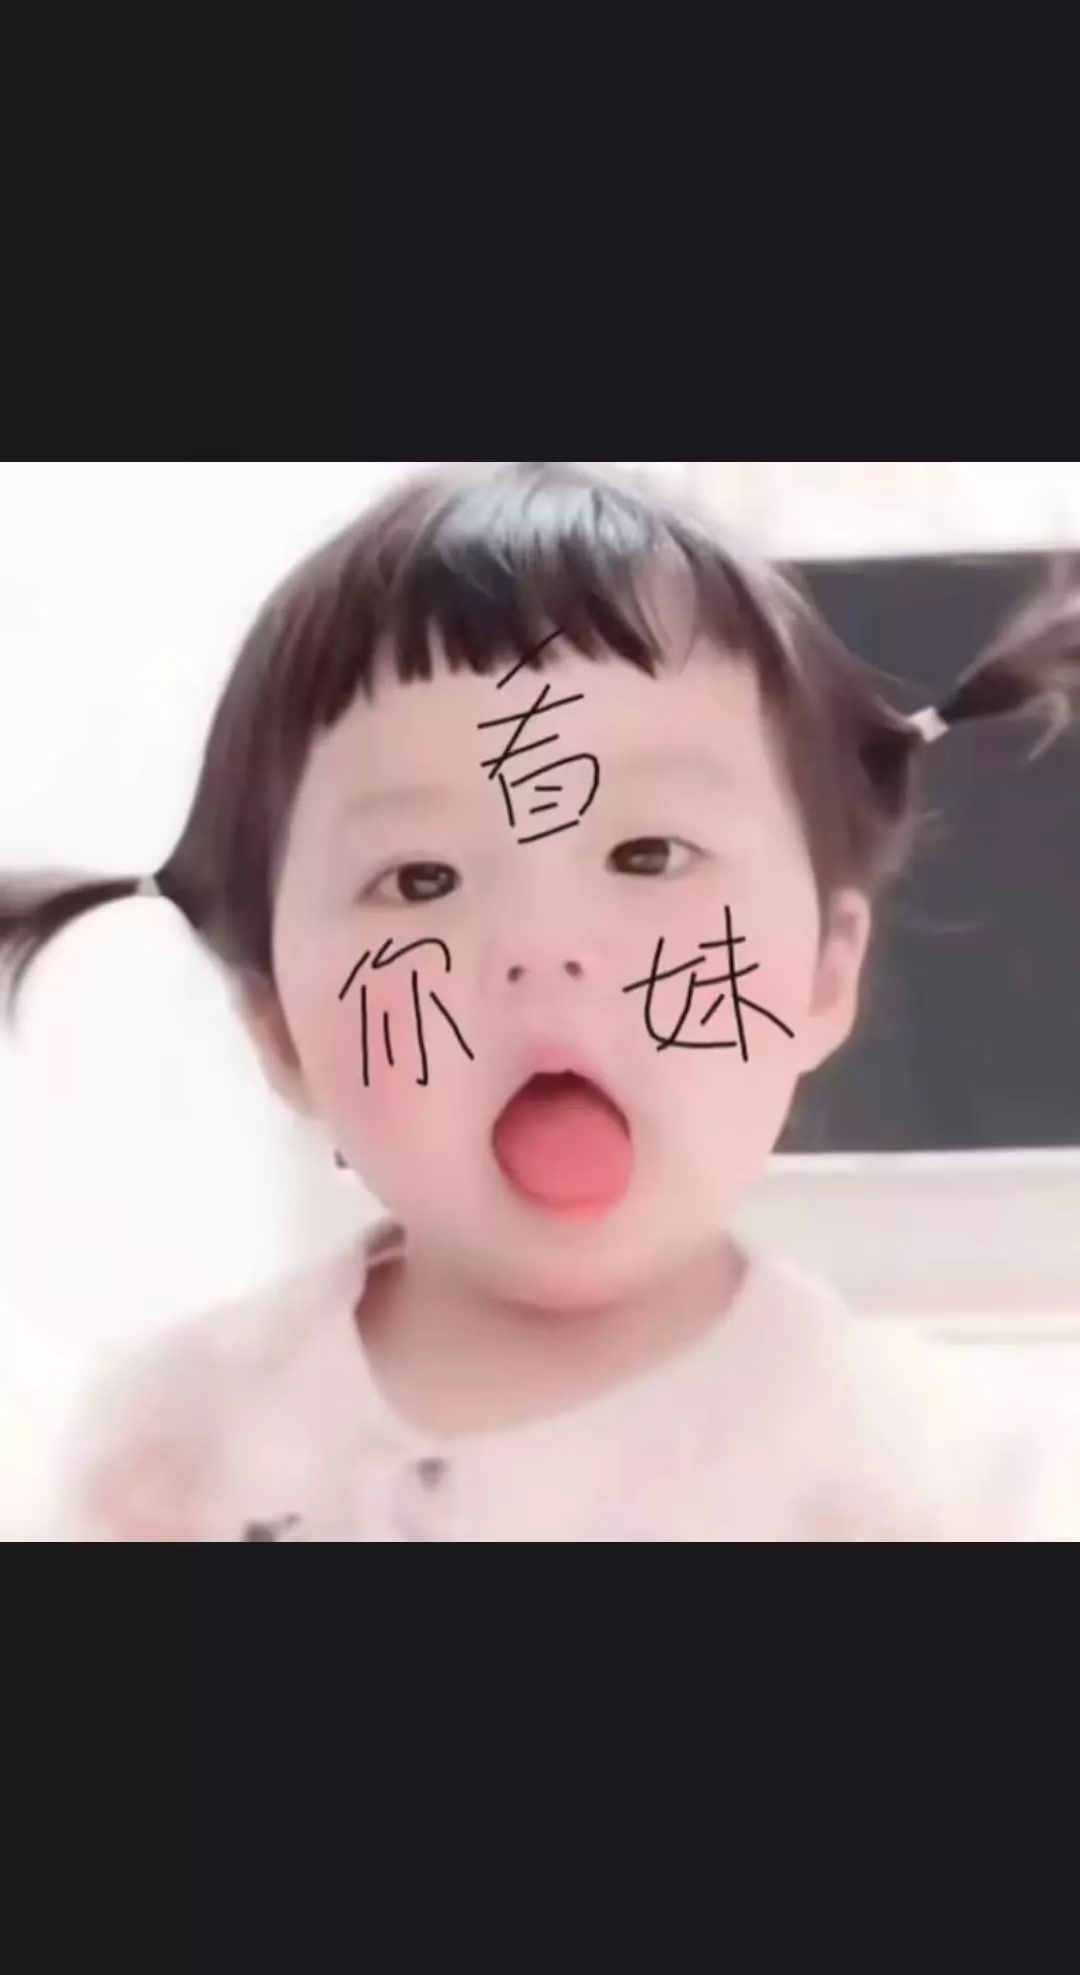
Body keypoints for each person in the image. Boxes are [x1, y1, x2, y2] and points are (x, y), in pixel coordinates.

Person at [2, 462, 1079, 1541]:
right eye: (421, 880)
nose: (544, 949)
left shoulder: (940, 1487)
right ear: (280, 1028)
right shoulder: (161, 1456)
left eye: (649, 854)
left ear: (820, 975)